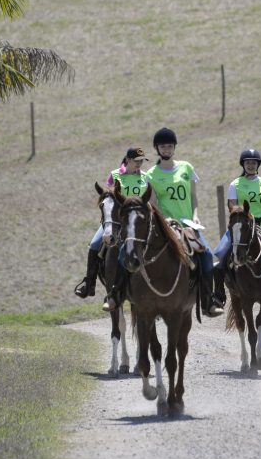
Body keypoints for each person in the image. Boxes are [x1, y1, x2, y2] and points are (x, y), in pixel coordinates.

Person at [146, 127, 223, 317]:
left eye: (170, 146)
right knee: (148, 255)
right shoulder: (151, 175)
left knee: (206, 256)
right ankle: (150, 301)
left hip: (189, 224)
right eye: (163, 146)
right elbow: (153, 204)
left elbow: (194, 197)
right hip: (166, 225)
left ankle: (208, 301)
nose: (167, 149)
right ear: (157, 148)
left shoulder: (187, 168)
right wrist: (164, 220)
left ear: (174, 148)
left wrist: (195, 215)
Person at [74, 147, 149, 309]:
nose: (139, 164)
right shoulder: (115, 175)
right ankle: (89, 283)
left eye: (141, 161)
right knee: (94, 244)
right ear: (128, 160)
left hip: (136, 223)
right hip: (116, 221)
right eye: (136, 161)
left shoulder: (146, 177)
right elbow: (107, 195)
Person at [212, 149, 261, 304]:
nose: (251, 165)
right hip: (241, 227)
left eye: (254, 163)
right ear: (243, 165)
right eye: (248, 163)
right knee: (220, 253)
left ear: (257, 165)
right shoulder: (235, 184)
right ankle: (219, 294)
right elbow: (232, 207)